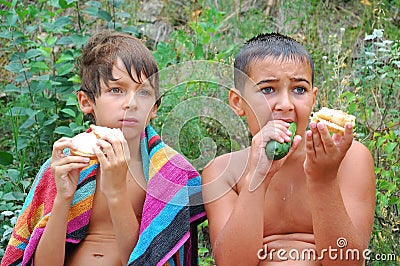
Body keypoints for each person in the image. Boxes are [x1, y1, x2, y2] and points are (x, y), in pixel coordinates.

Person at [2, 31, 205, 266]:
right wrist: (63, 198)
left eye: (144, 92)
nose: (132, 103)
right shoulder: (67, 163)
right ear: (86, 102)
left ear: (154, 108)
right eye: (116, 90)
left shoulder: (170, 174)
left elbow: (149, 260)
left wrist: (117, 192)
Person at [202, 32, 375, 265]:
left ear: (313, 99)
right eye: (267, 90)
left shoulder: (350, 159)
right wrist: (258, 177)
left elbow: (348, 261)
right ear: (238, 102)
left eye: (299, 90)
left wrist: (324, 180)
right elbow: (232, 262)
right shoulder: (224, 172)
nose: (285, 105)